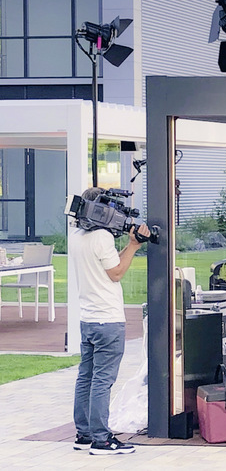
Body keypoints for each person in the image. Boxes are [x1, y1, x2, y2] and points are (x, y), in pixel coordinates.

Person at [70, 187, 151, 455]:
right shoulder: (102, 238)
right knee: (102, 380)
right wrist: (134, 245)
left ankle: (84, 433)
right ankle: (102, 440)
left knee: (86, 377)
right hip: (108, 320)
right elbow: (116, 272)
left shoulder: (75, 236)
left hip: (88, 319)